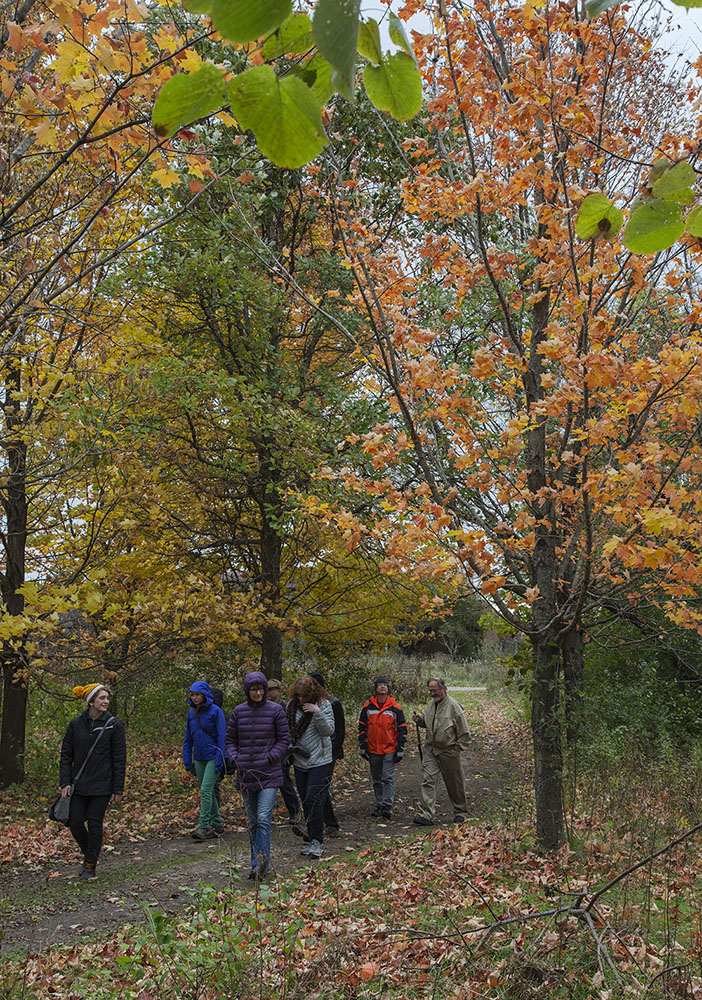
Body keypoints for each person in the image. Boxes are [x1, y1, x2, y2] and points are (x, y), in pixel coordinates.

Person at [225, 672, 289, 880]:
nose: (259, 693)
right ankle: (254, 865)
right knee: (252, 821)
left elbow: (284, 739)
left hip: (269, 773)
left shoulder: (276, 711)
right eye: (254, 689)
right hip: (246, 773)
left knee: (263, 819)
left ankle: (262, 863)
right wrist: (236, 758)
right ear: (247, 691)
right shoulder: (238, 712)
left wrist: (271, 757)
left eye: (262, 689)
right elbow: (230, 740)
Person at [59, 682, 126, 880]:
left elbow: (119, 759)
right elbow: (66, 755)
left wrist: (117, 788)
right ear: (91, 702)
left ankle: (90, 866)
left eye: (107, 698)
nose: (105, 702)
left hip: (102, 784)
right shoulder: (75, 724)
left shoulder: (115, 725)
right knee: (75, 822)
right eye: (101, 698)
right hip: (78, 784)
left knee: (95, 823)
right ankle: (91, 853)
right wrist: (65, 782)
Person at [286, 675, 335, 859]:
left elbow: (329, 731)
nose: (301, 700)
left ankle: (318, 841)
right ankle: (312, 836)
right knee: (306, 799)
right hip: (300, 759)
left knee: (314, 797)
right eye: (298, 696)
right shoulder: (291, 708)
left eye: (304, 696)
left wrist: (317, 713)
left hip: (321, 759)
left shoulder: (324, 705)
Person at [412, 677, 471, 825]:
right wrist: (419, 720)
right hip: (431, 749)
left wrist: (457, 749)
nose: (432, 694)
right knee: (428, 780)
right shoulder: (431, 704)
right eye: (430, 691)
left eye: (435, 690)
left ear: (443, 689)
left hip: (449, 750)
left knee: (454, 783)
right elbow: (426, 722)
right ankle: (426, 815)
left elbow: (464, 733)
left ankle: (460, 812)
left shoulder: (454, 707)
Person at [358, 676, 407, 820]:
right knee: (377, 779)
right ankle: (379, 804)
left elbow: (402, 728)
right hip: (373, 749)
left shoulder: (395, 707)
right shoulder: (368, 707)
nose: (382, 687)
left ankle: (387, 805)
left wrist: (400, 748)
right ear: (375, 688)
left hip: (389, 749)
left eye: (385, 685)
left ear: (388, 688)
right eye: (379, 685)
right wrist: (362, 745)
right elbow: (362, 727)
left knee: (387, 777)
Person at [183, 681, 226, 840]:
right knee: (208, 791)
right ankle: (217, 823)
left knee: (206, 790)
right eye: (192, 695)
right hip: (199, 758)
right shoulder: (191, 713)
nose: (194, 698)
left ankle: (203, 825)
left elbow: (222, 736)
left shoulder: (216, 712)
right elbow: (188, 737)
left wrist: (221, 758)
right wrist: (187, 758)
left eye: (197, 695)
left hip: (213, 757)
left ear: (204, 695)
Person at [309, 670, 345, 838]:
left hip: (329, 752)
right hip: (313, 752)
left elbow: (339, 731)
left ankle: (329, 823)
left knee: (321, 788)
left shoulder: (333, 703)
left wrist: (333, 751)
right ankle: (322, 822)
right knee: (318, 789)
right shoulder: (307, 703)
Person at [267, 678, 304, 835]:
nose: (269, 693)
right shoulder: (264, 708)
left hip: (282, 749)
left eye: (272, 690)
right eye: (267, 690)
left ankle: (295, 811)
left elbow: (289, 729)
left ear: (278, 691)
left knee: (283, 781)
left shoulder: (285, 707)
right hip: (267, 748)